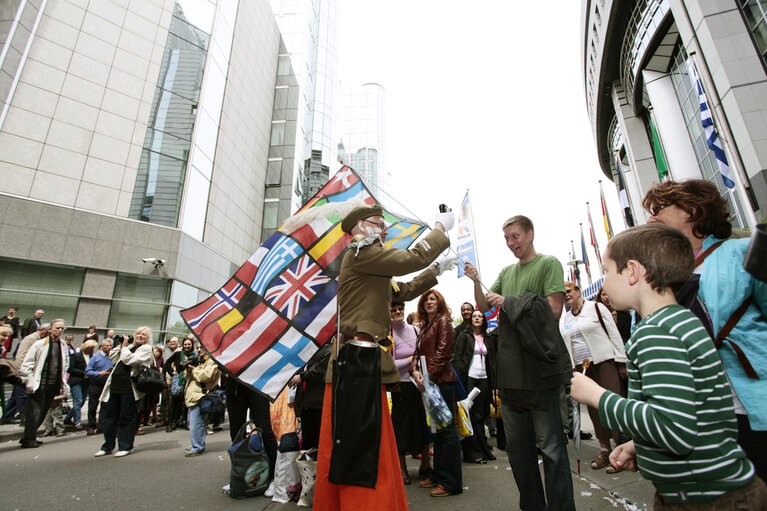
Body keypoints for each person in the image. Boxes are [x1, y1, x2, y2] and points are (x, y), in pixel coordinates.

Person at [571, 223, 765, 508]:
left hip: (703, 498)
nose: (604, 283)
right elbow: (694, 411)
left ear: (633, 272)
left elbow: (673, 428)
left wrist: (595, 395)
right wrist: (641, 446)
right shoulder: (683, 321)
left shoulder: (656, 333)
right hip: (720, 488)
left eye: (607, 271)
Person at [314, 203, 455, 510]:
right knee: (362, 443)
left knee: (367, 440)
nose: (385, 228)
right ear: (360, 228)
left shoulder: (368, 261)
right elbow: (410, 259)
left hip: (362, 362)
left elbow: (400, 291)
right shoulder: (361, 253)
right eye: (379, 223)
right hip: (357, 361)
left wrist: (435, 271)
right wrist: (440, 231)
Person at [642, 179, 767, 481]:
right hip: (700, 419)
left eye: (658, 208)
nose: (650, 218)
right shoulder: (660, 277)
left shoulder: (743, 251)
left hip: (752, 410)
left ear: (693, 210)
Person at [465, 214, 574, 511]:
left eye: (515, 236)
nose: (511, 243)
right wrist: (476, 280)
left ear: (530, 233)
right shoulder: (506, 271)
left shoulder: (548, 263)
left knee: (551, 451)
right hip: (511, 374)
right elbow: (485, 305)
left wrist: (509, 302)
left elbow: (552, 310)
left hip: (540, 372)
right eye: (507, 238)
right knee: (518, 453)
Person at [561, 281, 626, 472]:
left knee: (612, 405)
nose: (566, 295)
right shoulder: (564, 319)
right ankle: (605, 450)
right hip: (583, 369)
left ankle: (622, 449)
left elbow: (614, 334)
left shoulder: (596, 307)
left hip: (604, 361)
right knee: (595, 411)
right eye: (563, 293)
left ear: (578, 291)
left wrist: (621, 362)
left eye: (569, 291)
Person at [94, 326, 153, 458]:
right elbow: (113, 358)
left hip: (129, 389)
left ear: (147, 338)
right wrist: (121, 345)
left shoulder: (146, 349)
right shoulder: (129, 347)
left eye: (143, 334)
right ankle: (107, 446)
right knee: (109, 418)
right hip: (114, 387)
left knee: (126, 418)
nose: (139, 336)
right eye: (138, 333)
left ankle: (125, 446)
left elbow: (131, 361)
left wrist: (125, 348)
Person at [389, 300, 430, 485]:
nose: (398, 312)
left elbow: (424, 353)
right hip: (402, 386)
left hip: (420, 384)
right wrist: (410, 358)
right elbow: (390, 365)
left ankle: (426, 465)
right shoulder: (387, 334)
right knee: (401, 429)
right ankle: (402, 469)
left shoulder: (414, 330)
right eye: (394, 309)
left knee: (423, 425)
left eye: (400, 309)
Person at [453, 309, 495, 464]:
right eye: (474, 316)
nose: (477, 318)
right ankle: (471, 453)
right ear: (471, 321)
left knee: (480, 414)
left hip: (484, 378)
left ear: (483, 321)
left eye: (480, 316)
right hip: (469, 378)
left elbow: (493, 360)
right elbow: (457, 358)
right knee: (468, 414)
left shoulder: (488, 338)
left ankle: (483, 450)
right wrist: (459, 378)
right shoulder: (464, 336)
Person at [18, 319, 69, 448]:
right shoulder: (39, 344)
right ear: (50, 329)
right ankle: (28, 438)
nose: (59, 330)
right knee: (34, 412)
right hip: (40, 384)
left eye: (62, 328)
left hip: (53, 384)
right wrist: (29, 381)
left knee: (43, 411)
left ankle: (30, 436)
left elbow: (65, 364)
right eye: (57, 328)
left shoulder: (63, 345)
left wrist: (62, 383)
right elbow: (27, 364)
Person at [289, 341, 332, 450]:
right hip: (306, 404)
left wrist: (303, 376)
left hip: (318, 405)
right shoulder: (308, 352)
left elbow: (320, 370)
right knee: (308, 443)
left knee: (318, 442)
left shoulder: (328, 351)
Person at [183, 342, 221, 456]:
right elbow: (186, 377)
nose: (199, 350)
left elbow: (205, 376)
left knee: (196, 423)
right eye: (198, 347)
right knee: (193, 422)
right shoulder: (200, 361)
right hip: (193, 396)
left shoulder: (213, 361)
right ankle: (197, 444)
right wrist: (188, 369)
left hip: (200, 396)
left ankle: (198, 447)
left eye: (202, 347)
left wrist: (193, 370)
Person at [63, 339, 98, 431]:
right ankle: (77, 422)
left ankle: (67, 418)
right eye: (90, 348)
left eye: (93, 348)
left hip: (86, 382)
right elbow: (69, 368)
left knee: (81, 402)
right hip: (76, 381)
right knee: (78, 400)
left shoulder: (92, 357)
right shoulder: (76, 356)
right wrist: (83, 373)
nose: (91, 350)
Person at [164, 337, 195, 431]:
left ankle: (185, 422)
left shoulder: (194, 355)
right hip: (178, 380)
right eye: (185, 344)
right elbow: (167, 363)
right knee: (174, 403)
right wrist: (171, 372)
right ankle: (171, 423)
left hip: (189, 380)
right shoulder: (178, 354)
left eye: (189, 344)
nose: (187, 346)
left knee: (186, 403)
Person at [85, 338, 114, 435]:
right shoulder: (95, 357)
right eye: (106, 346)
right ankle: (91, 426)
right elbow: (88, 371)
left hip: (107, 385)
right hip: (96, 384)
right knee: (93, 406)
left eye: (110, 346)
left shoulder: (113, 357)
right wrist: (98, 373)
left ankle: (101, 426)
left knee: (105, 406)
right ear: (102, 347)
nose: (109, 348)